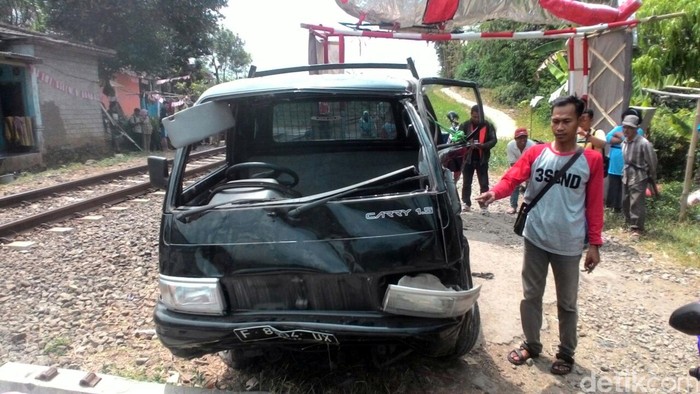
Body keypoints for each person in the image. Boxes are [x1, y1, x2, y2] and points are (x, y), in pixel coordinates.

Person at [475, 95, 604, 376]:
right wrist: (493, 193)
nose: (559, 127)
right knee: (531, 295)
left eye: (566, 121)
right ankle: (532, 344)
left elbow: (594, 205)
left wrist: (594, 244)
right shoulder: (536, 153)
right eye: (555, 121)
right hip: (535, 238)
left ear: (580, 121)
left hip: (569, 244)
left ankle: (566, 353)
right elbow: (513, 177)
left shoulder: (591, 160)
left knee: (567, 303)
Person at [621, 114, 657, 235]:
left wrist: (651, 177)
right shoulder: (624, 142)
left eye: (629, 128)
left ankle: (637, 228)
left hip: (639, 175)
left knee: (636, 202)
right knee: (625, 200)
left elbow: (652, 162)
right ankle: (629, 222)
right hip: (626, 175)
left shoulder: (644, 143)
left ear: (636, 129)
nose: (626, 130)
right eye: (624, 127)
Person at [459, 105, 497, 213]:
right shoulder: (465, 125)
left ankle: (484, 205)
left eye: (479, 117)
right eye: (475, 117)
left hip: (482, 159)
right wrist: (467, 144)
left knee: (484, 183)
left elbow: (493, 140)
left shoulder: (488, 125)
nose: (477, 119)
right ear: (471, 114)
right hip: (468, 158)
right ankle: (466, 203)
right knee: (467, 182)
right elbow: (458, 139)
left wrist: (483, 145)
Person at [606, 108, 644, 212]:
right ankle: (613, 206)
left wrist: (620, 137)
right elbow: (607, 138)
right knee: (614, 185)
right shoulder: (618, 128)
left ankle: (626, 208)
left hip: (628, 164)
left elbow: (632, 141)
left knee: (627, 186)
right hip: (615, 163)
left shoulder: (639, 131)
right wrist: (623, 139)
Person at [505, 127, 536, 214]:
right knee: (514, 183)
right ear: (515, 139)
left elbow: (534, 162)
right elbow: (512, 163)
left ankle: (529, 206)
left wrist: (527, 174)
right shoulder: (510, 146)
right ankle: (513, 206)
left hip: (530, 167)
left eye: (524, 137)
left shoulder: (532, 145)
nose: (522, 139)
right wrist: (520, 175)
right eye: (520, 137)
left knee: (531, 186)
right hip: (516, 166)